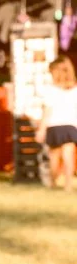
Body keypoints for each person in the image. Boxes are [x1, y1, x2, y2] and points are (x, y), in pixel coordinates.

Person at [36, 57, 77, 189]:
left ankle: (52, 182)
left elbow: (47, 111)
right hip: (71, 125)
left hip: (55, 125)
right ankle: (68, 184)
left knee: (54, 156)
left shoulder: (51, 90)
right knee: (68, 156)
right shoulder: (75, 89)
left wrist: (41, 129)